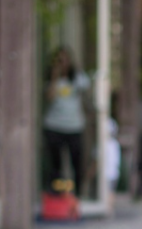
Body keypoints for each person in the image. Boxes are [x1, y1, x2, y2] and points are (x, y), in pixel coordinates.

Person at [43, 47, 90, 196]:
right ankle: (57, 195)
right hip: (54, 126)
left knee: (77, 162)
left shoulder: (77, 77)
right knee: (56, 165)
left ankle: (77, 195)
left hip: (74, 126)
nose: (62, 63)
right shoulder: (51, 78)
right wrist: (55, 77)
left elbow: (88, 90)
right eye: (59, 60)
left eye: (65, 59)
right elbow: (49, 97)